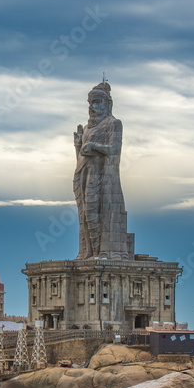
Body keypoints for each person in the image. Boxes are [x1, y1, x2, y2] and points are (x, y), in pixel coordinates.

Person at [73, 80, 131, 260]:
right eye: (90, 103)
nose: (92, 107)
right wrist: (78, 145)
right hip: (87, 175)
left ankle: (103, 253)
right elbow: (82, 157)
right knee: (86, 213)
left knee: (100, 213)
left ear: (108, 104)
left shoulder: (113, 124)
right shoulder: (88, 127)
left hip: (104, 178)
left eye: (97, 102)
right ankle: (89, 252)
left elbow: (114, 150)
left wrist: (93, 145)